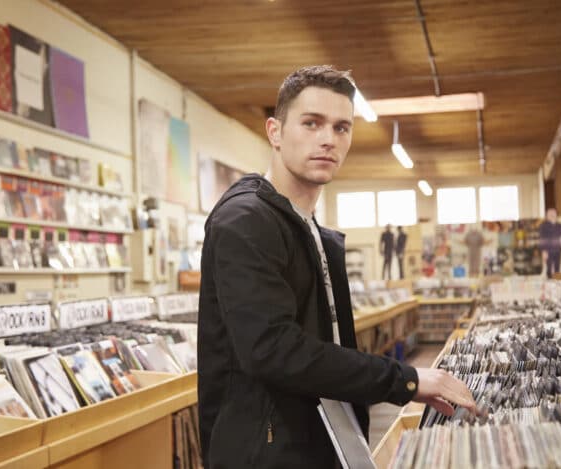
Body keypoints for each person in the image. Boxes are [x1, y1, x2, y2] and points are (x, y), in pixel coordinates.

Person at [198, 65, 476, 469]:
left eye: (341, 128)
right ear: (275, 132)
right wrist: (406, 380)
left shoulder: (310, 229)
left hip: (315, 441)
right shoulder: (245, 222)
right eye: (312, 123)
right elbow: (272, 349)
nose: (328, 139)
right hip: (264, 453)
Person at [539, 208, 561, 278]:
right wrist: (543, 251)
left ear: (556, 215)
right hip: (548, 251)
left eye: (553, 213)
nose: (552, 215)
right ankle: (549, 282)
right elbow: (542, 239)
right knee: (549, 268)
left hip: (558, 250)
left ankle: (557, 282)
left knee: (557, 267)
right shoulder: (543, 226)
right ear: (547, 215)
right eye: (550, 213)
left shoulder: (560, 226)